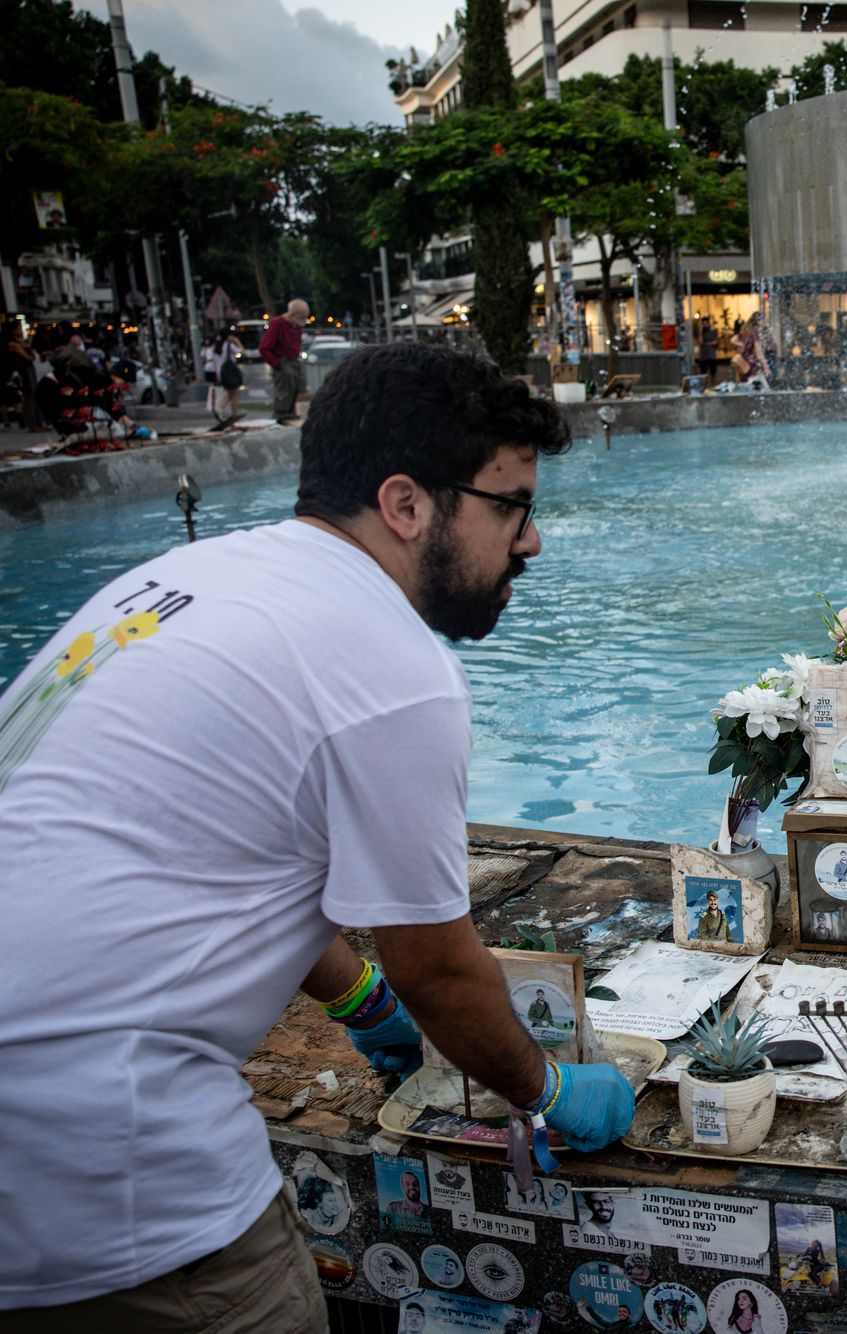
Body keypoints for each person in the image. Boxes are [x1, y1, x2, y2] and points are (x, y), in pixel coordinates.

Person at [0, 343, 635, 1329]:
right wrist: (545, 1085)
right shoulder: (387, 664)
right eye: (510, 506)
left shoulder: (180, 581)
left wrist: (359, 996)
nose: (532, 541)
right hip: (96, 1149)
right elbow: (442, 967)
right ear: (407, 503)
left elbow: (217, 854)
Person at [259, 298, 310, 424]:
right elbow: (264, 348)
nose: (304, 320)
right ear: (293, 314)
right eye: (302, 316)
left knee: (300, 386)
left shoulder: (296, 325)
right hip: (282, 361)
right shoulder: (278, 323)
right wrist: (277, 364)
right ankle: (281, 415)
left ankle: (298, 413)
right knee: (286, 385)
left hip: (294, 360)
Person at [208, 327, 246, 422]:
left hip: (222, 373)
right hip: (231, 372)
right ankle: (228, 411)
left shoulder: (217, 347)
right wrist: (237, 342)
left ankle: (225, 410)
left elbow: (216, 363)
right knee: (234, 394)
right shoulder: (229, 345)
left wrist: (218, 376)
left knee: (231, 393)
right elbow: (243, 352)